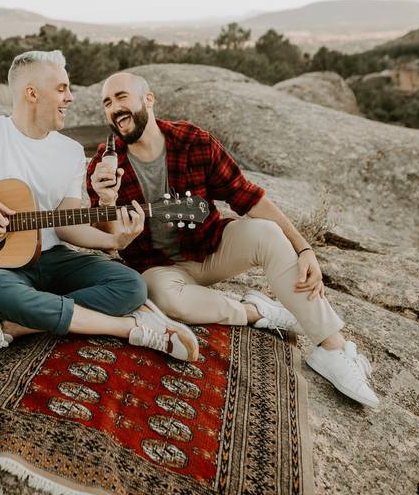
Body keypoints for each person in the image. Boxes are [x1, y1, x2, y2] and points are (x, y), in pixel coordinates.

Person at [86, 71, 378, 407]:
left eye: (122, 96)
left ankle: (334, 349)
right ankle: (255, 311)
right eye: (107, 102)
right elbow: (107, 241)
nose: (114, 107)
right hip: (158, 267)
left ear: (148, 99)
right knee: (169, 301)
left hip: (210, 249)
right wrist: (107, 203)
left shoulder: (193, 141)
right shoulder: (104, 165)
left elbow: (249, 198)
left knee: (266, 233)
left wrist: (304, 247)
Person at [0, 51, 198, 362]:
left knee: (130, 286)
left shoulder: (71, 152)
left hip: (54, 259)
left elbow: (66, 224)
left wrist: (113, 241)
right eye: (61, 88)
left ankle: (12, 325)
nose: (71, 97)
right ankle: (129, 327)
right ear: (32, 93)